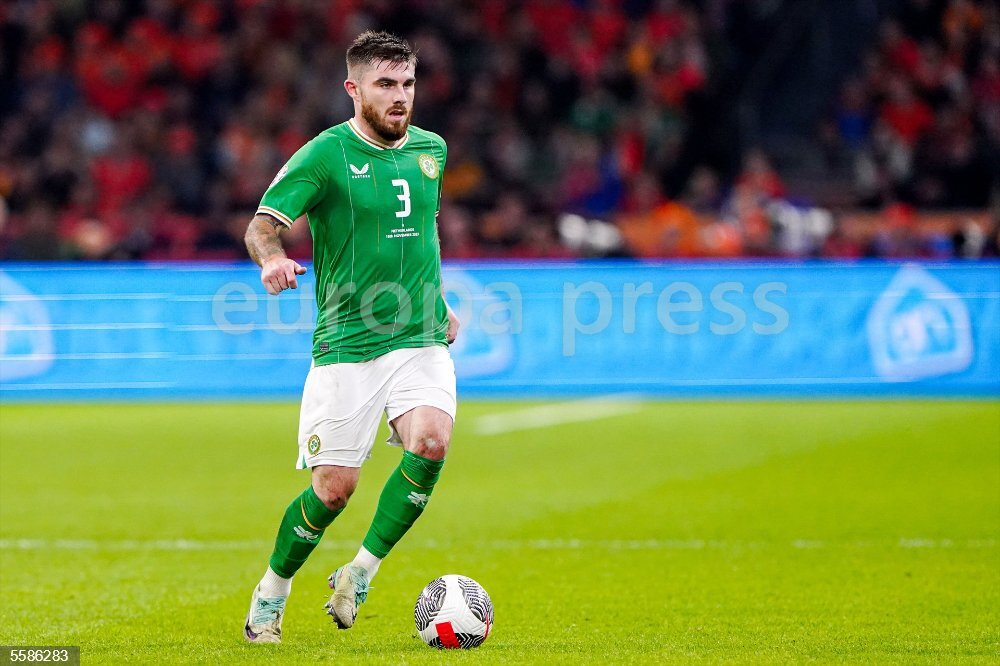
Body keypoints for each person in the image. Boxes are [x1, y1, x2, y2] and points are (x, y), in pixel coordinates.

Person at [241, 31, 459, 644]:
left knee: (433, 443)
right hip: (347, 344)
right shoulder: (325, 155)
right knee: (334, 490)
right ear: (354, 88)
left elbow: (420, 233)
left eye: (408, 84)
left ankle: (361, 571)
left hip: (418, 337)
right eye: (386, 85)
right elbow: (263, 225)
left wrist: (438, 302)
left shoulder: (432, 151)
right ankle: (272, 591)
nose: (400, 97)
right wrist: (271, 261)